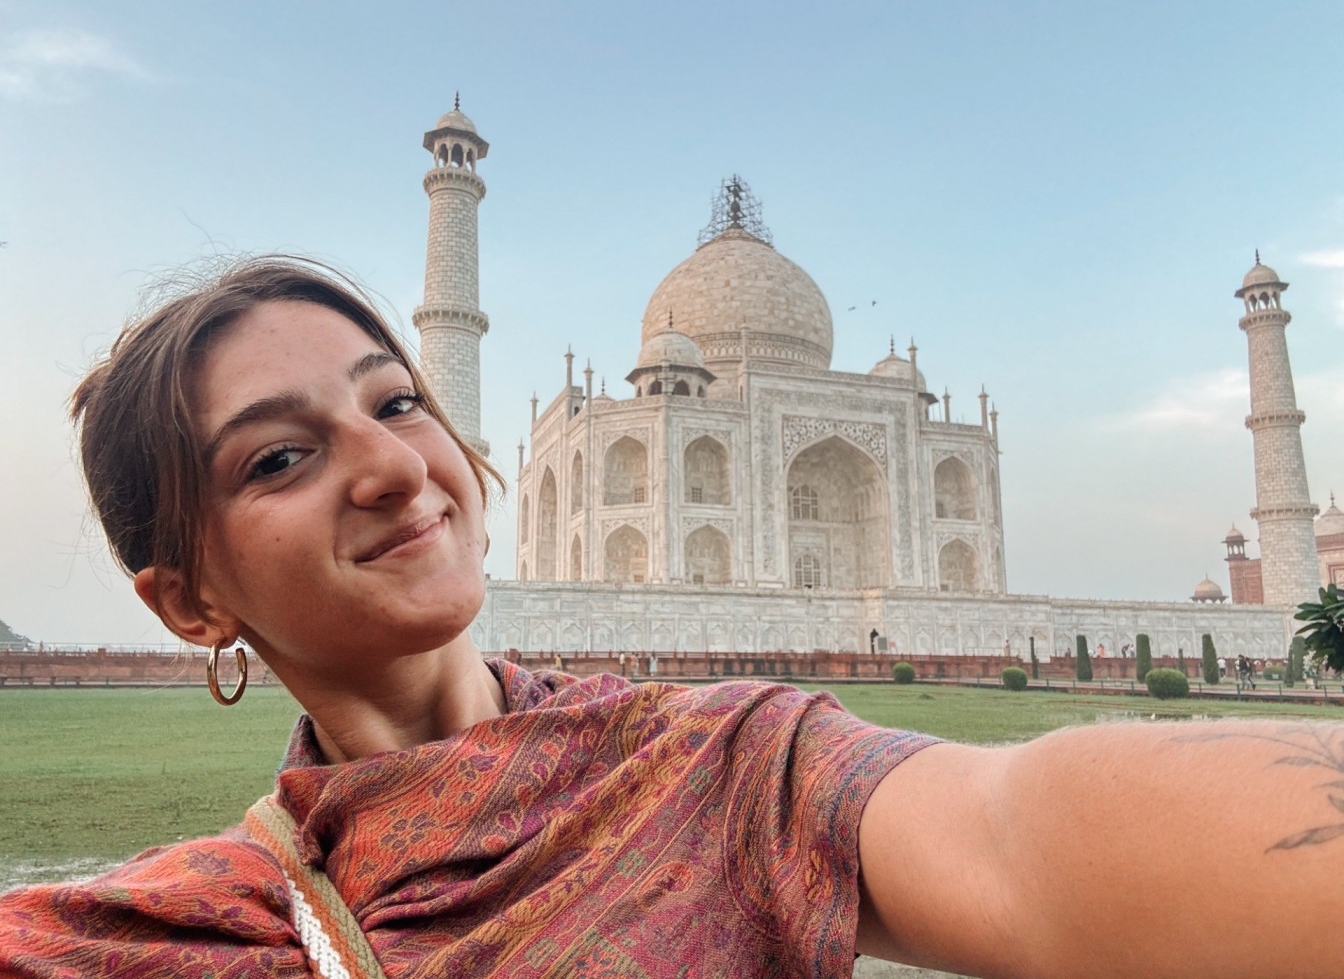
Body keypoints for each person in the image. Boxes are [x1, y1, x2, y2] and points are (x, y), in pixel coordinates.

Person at [2, 256, 1341, 979]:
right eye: (277, 458)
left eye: (398, 400)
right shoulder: (161, 932)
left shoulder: (718, 766)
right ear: (186, 600)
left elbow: (1019, 838)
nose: (395, 465)